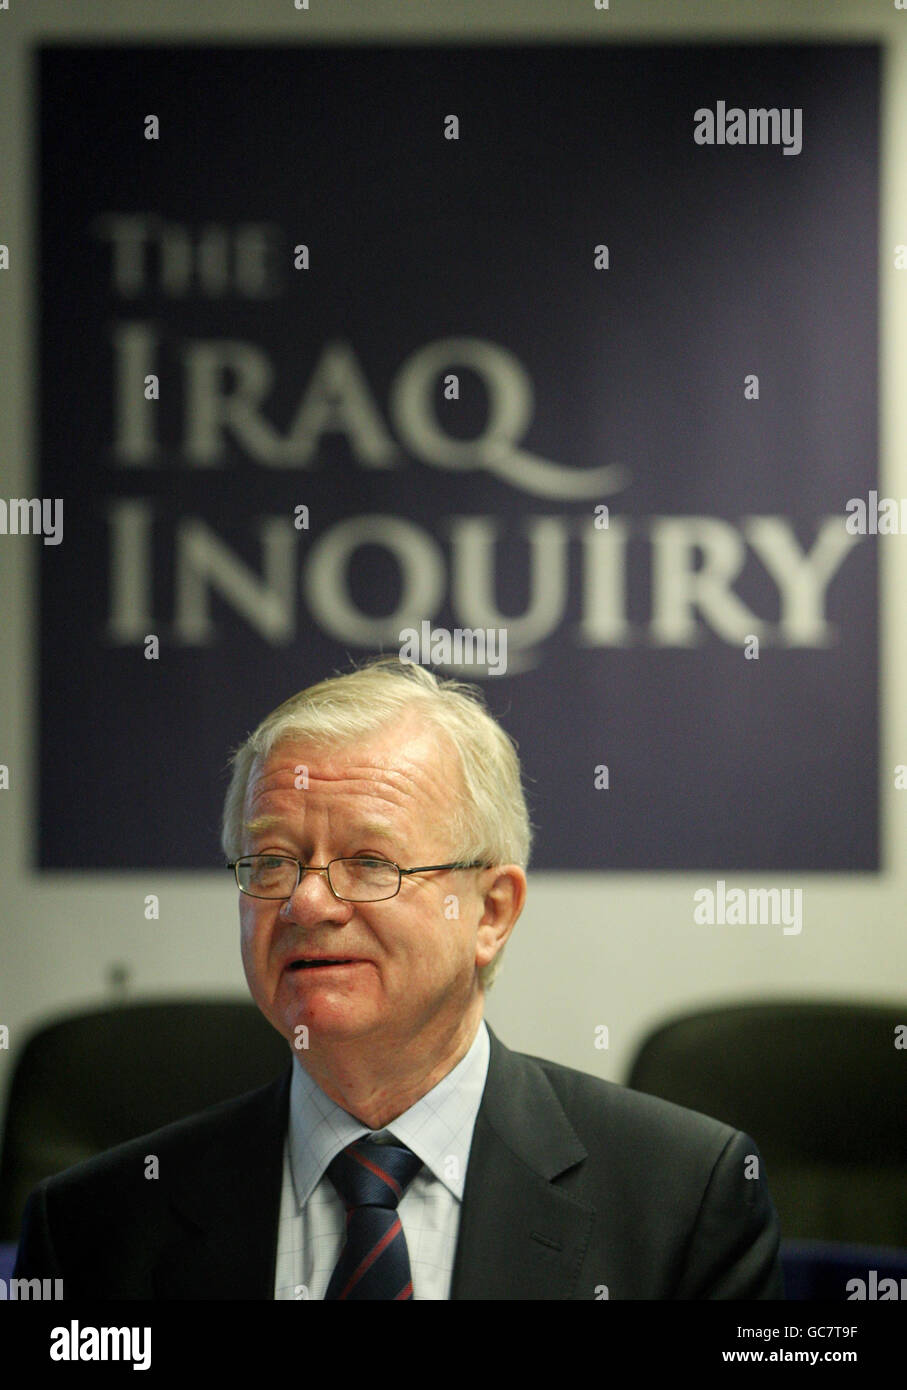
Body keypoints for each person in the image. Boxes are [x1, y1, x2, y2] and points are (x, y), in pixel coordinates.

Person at [14, 657, 783, 1299]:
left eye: (370, 863)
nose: (306, 901)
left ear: (491, 912)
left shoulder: (681, 1201)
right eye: (272, 861)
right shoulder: (94, 1229)